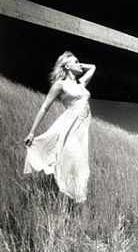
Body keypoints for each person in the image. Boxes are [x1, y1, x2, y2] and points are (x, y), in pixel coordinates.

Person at [23, 51, 96, 203]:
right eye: (75, 61)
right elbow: (44, 107)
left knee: (79, 165)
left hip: (81, 131)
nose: (79, 64)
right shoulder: (60, 84)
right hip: (69, 128)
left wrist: (78, 65)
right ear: (67, 66)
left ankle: (68, 202)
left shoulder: (81, 83)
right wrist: (31, 132)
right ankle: (63, 198)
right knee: (73, 158)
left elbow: (93, 67)